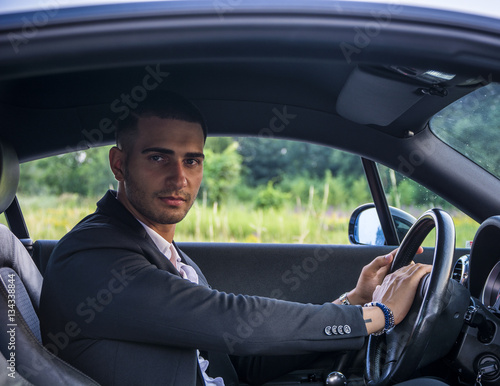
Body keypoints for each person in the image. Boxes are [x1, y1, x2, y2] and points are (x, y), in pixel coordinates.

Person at [39, 92, 435, 386]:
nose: (180, 179)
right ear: (119, 164)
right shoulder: (91, 254)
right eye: (159, 158)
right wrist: (378, 316)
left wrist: (355, 300)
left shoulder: (165, 255)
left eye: (192, 161)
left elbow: (239, 360)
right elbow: (235, 320)